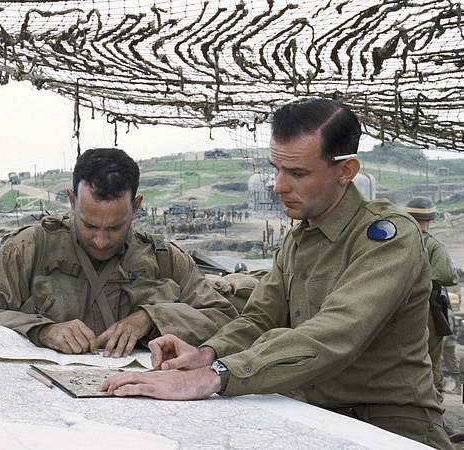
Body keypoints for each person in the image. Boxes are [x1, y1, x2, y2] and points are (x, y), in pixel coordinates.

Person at [101, 98, 453, 450]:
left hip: (390, 426)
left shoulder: (388, 238)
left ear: (346, 171)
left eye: (298, 173)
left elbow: (335, 332)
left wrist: (214, 376)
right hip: (314, 414)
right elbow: (259, 319)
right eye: (276, 169)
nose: (279, 186)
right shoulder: (300, 238)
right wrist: (206, 354)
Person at [0, 147, 238, 357]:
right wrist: (42, 331)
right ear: (72, 200)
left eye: (115, 227)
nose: (101, 241)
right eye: (89, 225)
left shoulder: (164, 258)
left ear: (136, 207)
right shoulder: (30, 248)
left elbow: (223, 319)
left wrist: (151, 318)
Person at [405, 196, 459, 398]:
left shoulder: (395, 241)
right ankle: (434, 401)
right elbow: (446, 276)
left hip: (396, 307)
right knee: (431, 359)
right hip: (427, 307)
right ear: (429, 219)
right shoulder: (433, 245)